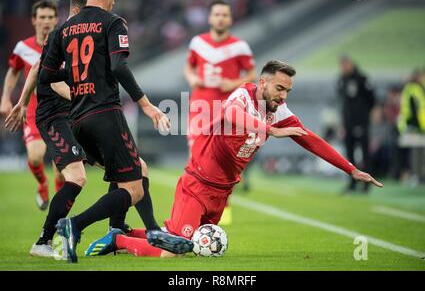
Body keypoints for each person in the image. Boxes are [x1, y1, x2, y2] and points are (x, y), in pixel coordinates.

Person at [86, 60, 383, 258]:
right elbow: (231, 115)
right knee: (175, 250)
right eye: (279, 88)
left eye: (288, 91)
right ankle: (118, 241)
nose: (284, 97)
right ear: (263, 83)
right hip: (198, 184)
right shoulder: (242, 96)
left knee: (181, 240)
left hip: (223, 191)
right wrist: (270, 130)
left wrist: (351, 169)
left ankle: (124, 231)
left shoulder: (279, 110)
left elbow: (310, 140)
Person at [38, 0, 192, 263]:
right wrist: (145, 104)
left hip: (77, 120)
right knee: (133, 189)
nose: (114, 0)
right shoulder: (113, 22)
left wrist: (75, 74)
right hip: (105, 114)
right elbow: (119, 67)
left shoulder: (63, 29)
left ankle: (143, 230)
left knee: (138, 169)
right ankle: (75, 225)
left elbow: (45, 77)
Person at [184, 0, 256, 224]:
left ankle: (223, 207)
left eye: (224, 15)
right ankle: (192, 207)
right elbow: (189, 66)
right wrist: (193, 78)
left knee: (224, 163)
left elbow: (252, 74)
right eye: (217, 14)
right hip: (200, 108)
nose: (220, 18)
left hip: (227, 111)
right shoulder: (198, 43)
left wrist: (233, 83)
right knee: (195, 158)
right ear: (210, 18)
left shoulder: (239, 46)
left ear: (230, 19)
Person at [0, 0, 64, 210]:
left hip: (61, 109)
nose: (46, 21)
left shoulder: (64, 44)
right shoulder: (23, 48)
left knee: (61, 171)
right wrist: (5, 97)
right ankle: (42, 184)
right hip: (34, 109)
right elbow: (13, 71)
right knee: (35, 158)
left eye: (50, 17)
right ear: (34, 20)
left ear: (56, 20)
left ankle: (57, 211)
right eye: (42, 17)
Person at [337, 55, 375, 194]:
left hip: (361, 121)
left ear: (351, 64)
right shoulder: (341, 80)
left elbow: (372, 99)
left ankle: (367, 183)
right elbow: (342, 102)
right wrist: (343, 122)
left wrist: (365, 116)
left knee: (365, 152)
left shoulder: (362, 78)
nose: (343, 68)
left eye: (345, 64)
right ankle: (352, 182)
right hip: (348, 122)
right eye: (342, 65)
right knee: (349, 152)